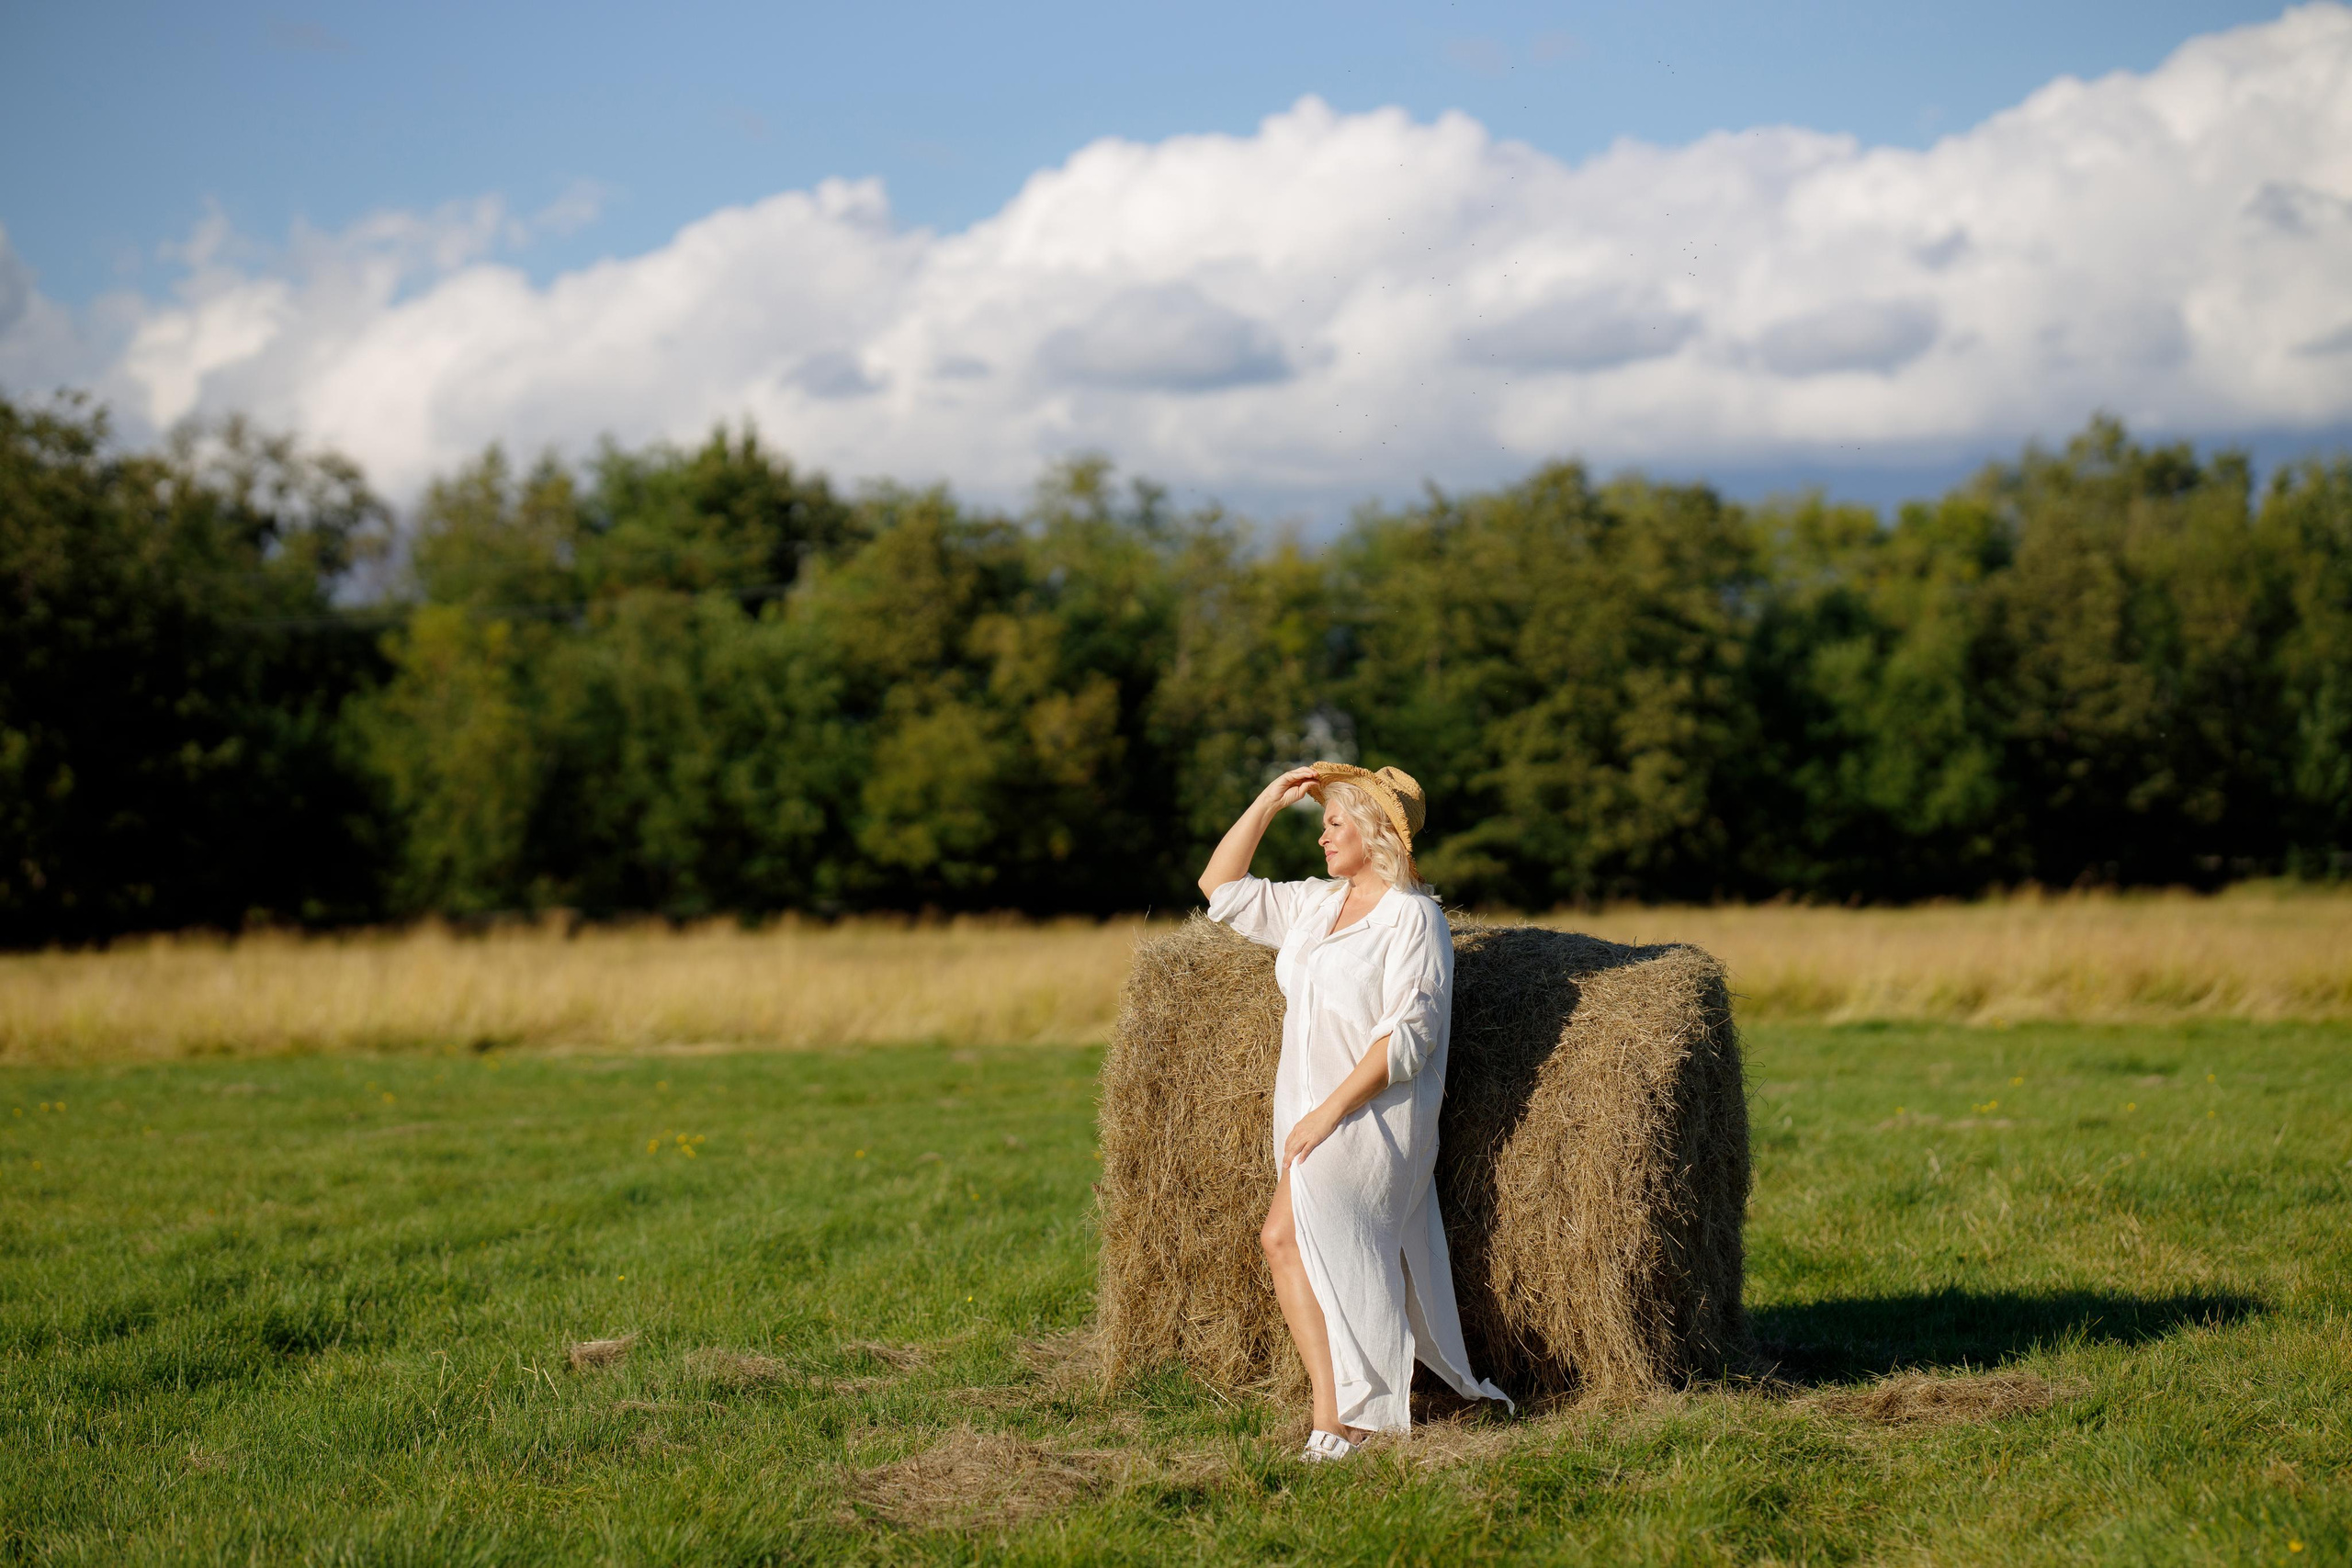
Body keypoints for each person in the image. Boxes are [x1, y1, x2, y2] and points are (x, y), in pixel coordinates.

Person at [1196, 760, 1511, 1463]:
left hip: (1373, 1120)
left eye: (1335, 823)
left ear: (1374, 831)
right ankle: (1344, 1416)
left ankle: (1338, 1419)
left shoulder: (1415, 918)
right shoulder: (1314, 905)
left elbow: (1408, 1035)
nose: (1323, 838)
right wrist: (1271, 797)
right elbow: (1218, 887)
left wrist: (1327, 1113)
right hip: (1308, 1116)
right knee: (1298, 1244)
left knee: (1281, 1236)